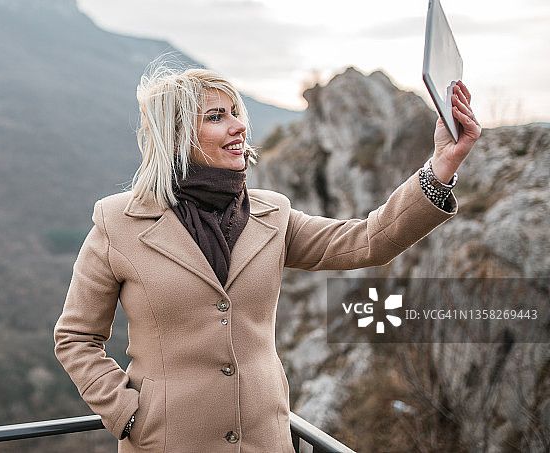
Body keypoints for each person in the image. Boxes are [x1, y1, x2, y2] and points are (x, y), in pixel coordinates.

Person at [54, 66, 480, 452]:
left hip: (267, 442)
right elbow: (75, 337)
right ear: (177, 134)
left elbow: (370, 240)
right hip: (166, 444)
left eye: (236, 112)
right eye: (216, 116)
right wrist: (126, 413)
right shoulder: (119, 223)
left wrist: (440, 166)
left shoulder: (272, 216)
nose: (239, 126)